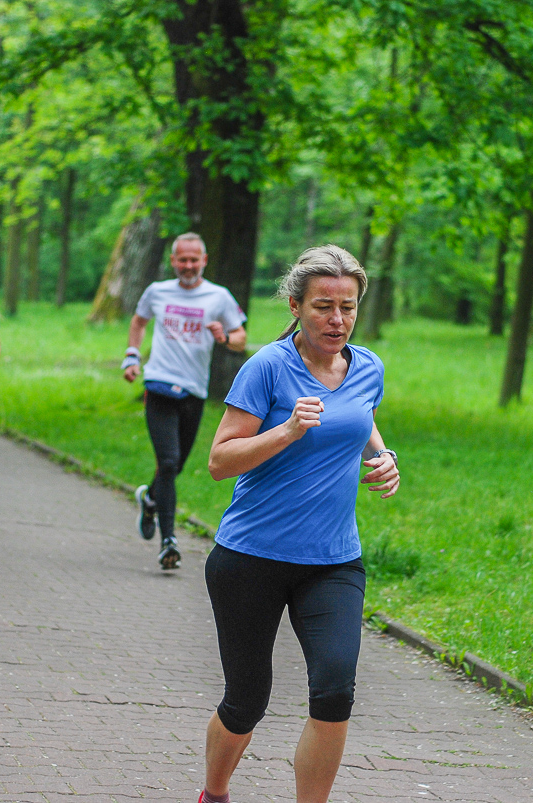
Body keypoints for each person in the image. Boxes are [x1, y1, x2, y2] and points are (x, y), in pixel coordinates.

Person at [197, 245, 399, 803]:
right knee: (247, 700)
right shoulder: (265, 366)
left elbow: (362, 418)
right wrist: (286, 431)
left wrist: (382, 458)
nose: (337, 320)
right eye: (323, 306)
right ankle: (214, 793)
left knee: (335, 691)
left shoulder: (369, 367)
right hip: (250, 558)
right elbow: (219, 461)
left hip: (333, 561)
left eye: (348, 307)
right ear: (296, 305)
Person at [122, 232, 247, 570]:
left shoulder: (219, 296)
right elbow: (138, 320)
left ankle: (150, 499)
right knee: (168, 461)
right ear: (173, 261)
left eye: (194, 260)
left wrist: (226, 337)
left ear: (204, 261)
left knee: (173, 467)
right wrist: (132, 356)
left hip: (194, 392)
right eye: (182, 259)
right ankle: (168, 542)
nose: (188, 265)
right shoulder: (157, 291)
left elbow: (241, 338)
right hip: (160, 385)